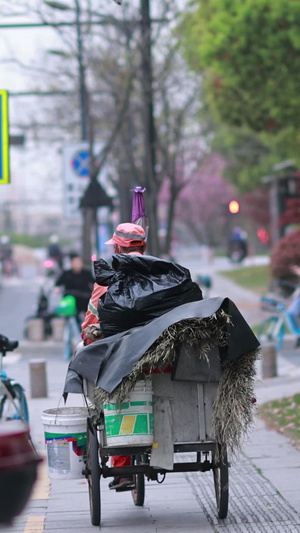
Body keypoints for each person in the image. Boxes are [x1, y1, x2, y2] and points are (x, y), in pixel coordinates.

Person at [81, 223, 147, 491]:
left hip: (119, 364)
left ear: (118, 248)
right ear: (144, 247)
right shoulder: (167, 273)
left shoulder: (106, 281)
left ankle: (122, 466)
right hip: (163, 360)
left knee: (107, 395)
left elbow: (90, 327)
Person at [55, 253, 95, 324]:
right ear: (71, 264)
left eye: (79, 263)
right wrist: (57, 289)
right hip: (71, 298)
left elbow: (94, 282)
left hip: (85, 297)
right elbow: (57, 284)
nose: (78, 265)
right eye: (75, 263)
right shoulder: (66, 274)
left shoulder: (86, 273)